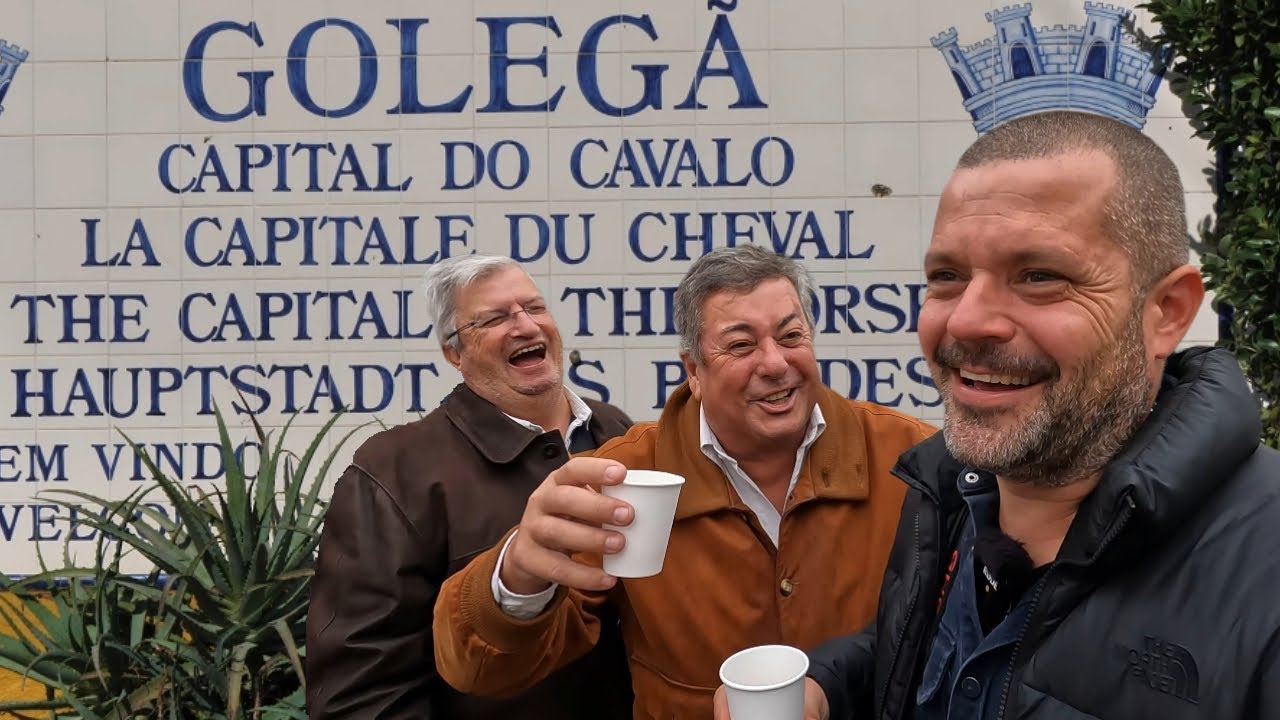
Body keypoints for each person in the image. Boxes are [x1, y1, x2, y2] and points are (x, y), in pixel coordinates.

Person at [715, 110, 1280, 719]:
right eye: (947, 277)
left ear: (1166, 311)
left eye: (1039, 276)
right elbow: (935, 652)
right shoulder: (946, 492)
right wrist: (828, 684)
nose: (965, 321)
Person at [431, 245, 938, 719]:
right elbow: (483, 668)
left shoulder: (911, 460)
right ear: (693, 370)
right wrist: (517, 576)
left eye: (790, 337)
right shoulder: (627, 476)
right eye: (741, 345)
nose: (775, 363)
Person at [306, 254, 636, 720]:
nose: (526, 326)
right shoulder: (394, 471)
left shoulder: (617, 430)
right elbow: (361, 689)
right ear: (454, 353)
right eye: (495, 318)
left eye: (534, 307)